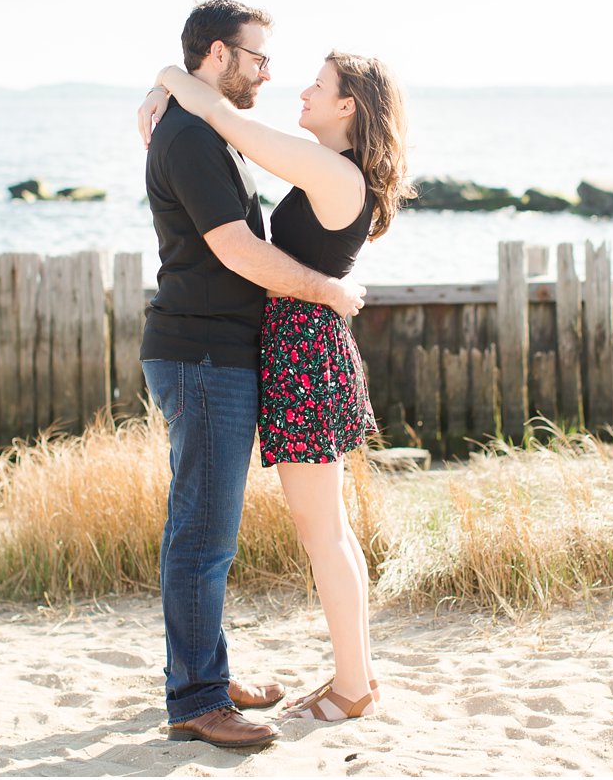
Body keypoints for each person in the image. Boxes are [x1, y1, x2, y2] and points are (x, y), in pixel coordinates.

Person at [139, 44, 413, 724]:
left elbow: (223, 117)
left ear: (348, 105)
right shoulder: (336, 170)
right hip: (303, 351)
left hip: (304, 355)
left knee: (323, 532)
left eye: (318, 87)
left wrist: (166, 78)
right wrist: (166, 86)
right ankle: (358, 677)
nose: (302, 95)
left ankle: (353, 687)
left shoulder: (331, 170)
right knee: (331, 530)